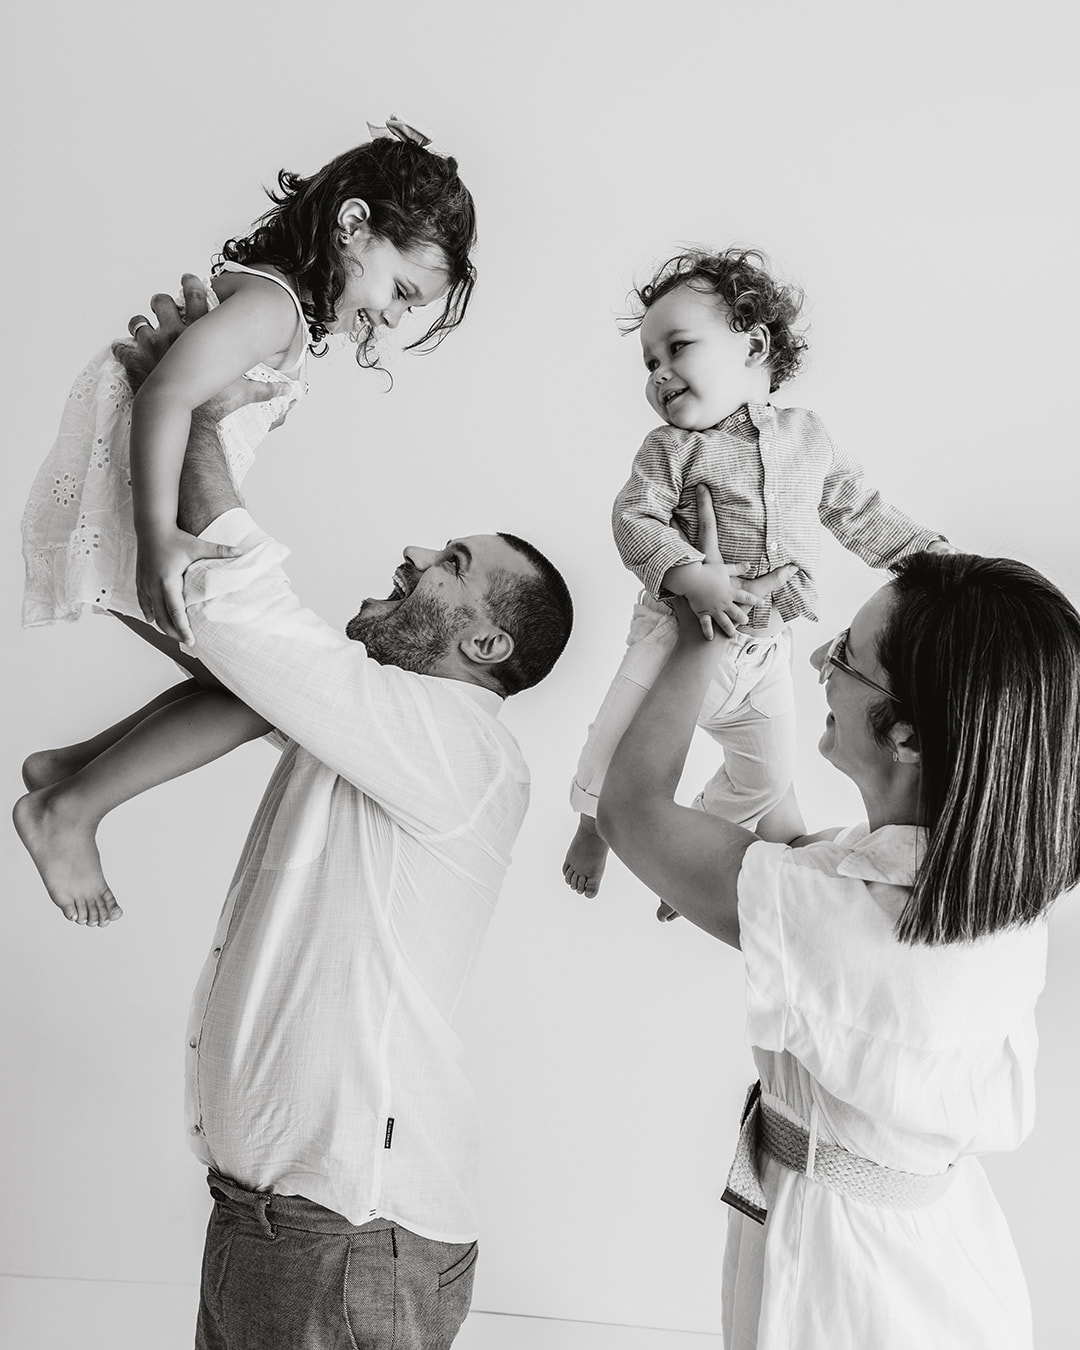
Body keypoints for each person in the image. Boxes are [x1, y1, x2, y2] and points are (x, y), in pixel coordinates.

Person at [102, 286, 573, 1350]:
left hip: (347, 1242)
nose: (416, 551)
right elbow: (221, 647)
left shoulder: (457, 744)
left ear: (486, 647)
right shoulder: (379, 732)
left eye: (451, 566)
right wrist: (158, 436)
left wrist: (201, 415)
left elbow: (249, 620)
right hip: (283, 1233)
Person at [596, 485, 1080, 1348]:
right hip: (935, 1246)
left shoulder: (838, 917)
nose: (821, 657)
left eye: (846, 659)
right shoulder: (988, 890)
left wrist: (703, 627)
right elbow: (794, 850)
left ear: (909, 736)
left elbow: (630, 813)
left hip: (845, 1278)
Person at [16, 116, 477, 927]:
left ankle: (71, 774)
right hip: (143, 510)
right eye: (402, 292)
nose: (394, 319)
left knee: (247, 687)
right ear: (353, 224)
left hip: (151, 504)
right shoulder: (272, 308)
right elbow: (165, 394)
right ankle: (69, 806)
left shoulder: (278, 307)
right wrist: (158, 535)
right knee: (271, 693)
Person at [563, 248, 950, 898]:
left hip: (765, 650)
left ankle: (703, 840)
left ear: (755, 344)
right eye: (650, 364)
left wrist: (934, 561)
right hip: (675, 634)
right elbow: (634, 519)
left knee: (767, 779)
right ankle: (592, 826)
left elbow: (859, 509)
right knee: (614, 738)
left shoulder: (809, 438)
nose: (659, 374)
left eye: (677, 348)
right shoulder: (670, 448)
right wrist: (690, 574)